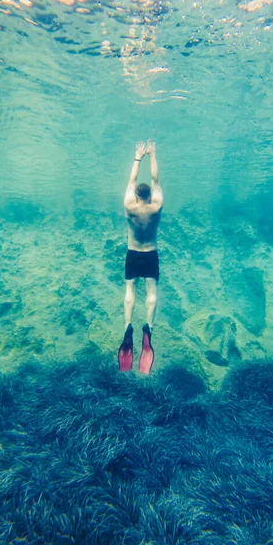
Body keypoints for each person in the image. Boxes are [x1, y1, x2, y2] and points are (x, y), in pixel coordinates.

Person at [118, 139, 163, 373]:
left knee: (129, 293)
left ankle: (128, 326)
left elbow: (131, 180)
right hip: (150, 254)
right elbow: (155, 180)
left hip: (133, 253)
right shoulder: (156, 208)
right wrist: (153, 155)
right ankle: (149, 327)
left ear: (136, 195)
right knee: (152, 294)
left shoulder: (129, 206)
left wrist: (138, 157)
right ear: (149, 196)